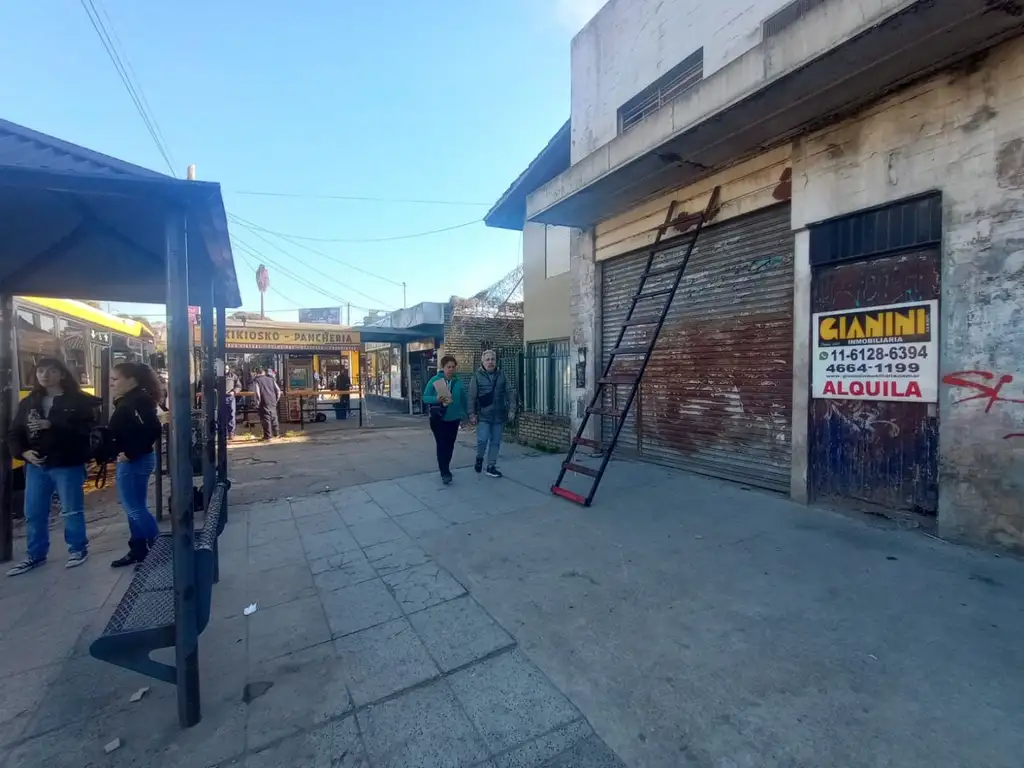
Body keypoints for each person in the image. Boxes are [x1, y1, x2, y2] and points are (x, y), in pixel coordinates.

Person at [6, 357, 96, 576]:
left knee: (71, 509)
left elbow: (86, 431)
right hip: (37, 464)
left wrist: (52, 424)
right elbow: (15, 432)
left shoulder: (78, 400)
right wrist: (23, 453)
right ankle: (35, 554)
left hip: (67, 462)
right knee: (33, 512)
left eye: (51, 371)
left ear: (62, 374)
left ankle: (77, 548)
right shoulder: (29, 401)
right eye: (40, 371)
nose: (44, 375)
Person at [108, 362, 164, 568]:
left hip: (135, 460)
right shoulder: (133, 399)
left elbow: (152, 430)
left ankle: (159, 550)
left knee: (134, 508)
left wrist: (130, 452)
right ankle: (139, 549)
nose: (112, 384)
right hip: (135, 459)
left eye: (115, 379)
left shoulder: (137, 401)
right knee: (135, 508)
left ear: (131, 381)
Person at [422, 355, 467, 485]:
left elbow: (463, 399)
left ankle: (446, 465)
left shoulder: (458, 382)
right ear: (443, 367)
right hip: (439, 419)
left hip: (454, 419)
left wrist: (466, 415)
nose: (451, 369)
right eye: (448, 367)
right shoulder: (435, 380)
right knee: (442, 445)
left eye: (453, 367)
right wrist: (436, 399)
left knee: (450, 445)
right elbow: (425, 397)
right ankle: (445, 472)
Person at [468, 349, 509, 478]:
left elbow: (509, 392)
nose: (490, 362)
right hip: (483, 415)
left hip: (498, 415)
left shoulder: (502, 375)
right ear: (483, 361)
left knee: (495, 442)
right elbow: (471, 397)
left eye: (492, 359)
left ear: (496, 361)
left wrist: (512, 409)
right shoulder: (477, 376)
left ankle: (491, 466)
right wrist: (472, 414)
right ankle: (479, 457)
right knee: (482, 440)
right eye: (488, 359)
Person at [252, 367, 282, 441]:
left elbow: (257, 394)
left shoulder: (256, 380)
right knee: (274, 417)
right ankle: (276, 434)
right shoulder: (271, 379)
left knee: (266, 419)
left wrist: (257, 404)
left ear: (256, 373)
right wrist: (276, 399)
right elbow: (278, 390)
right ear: (264, 372)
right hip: (273, 400)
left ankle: (268, 436)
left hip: (264, 401)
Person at [222, 366, 241, 441]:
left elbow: (238, 386)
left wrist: (234, 391)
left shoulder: (233, 376)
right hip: (220, 398)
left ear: (228, 369)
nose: (225, 370)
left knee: (231, 415)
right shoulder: (217, 376)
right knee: (221, 415)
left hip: (230, 397)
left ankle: (231, 433)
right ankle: (222, 434)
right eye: (224, 369)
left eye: (226, 369)